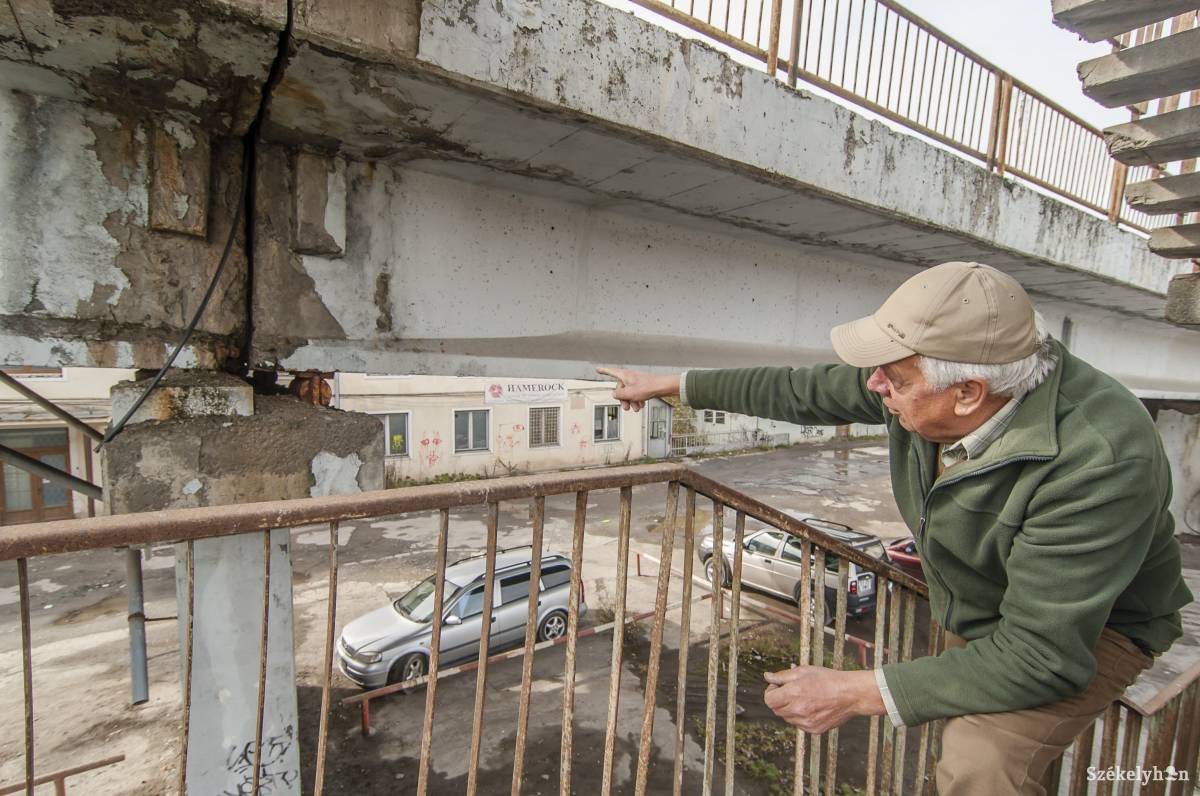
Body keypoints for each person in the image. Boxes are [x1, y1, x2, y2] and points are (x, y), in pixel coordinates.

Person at [598, 261, 1192, 795]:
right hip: (989, 603)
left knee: (977, 767)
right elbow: (802, 390)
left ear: (967, 394)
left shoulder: (1101, 458)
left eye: (894, 380)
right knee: (952, 707)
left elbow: (1040, 656)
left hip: (1090, 629)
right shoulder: (936, 379)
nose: (875, 387)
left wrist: (855, 691)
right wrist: (669, 385)